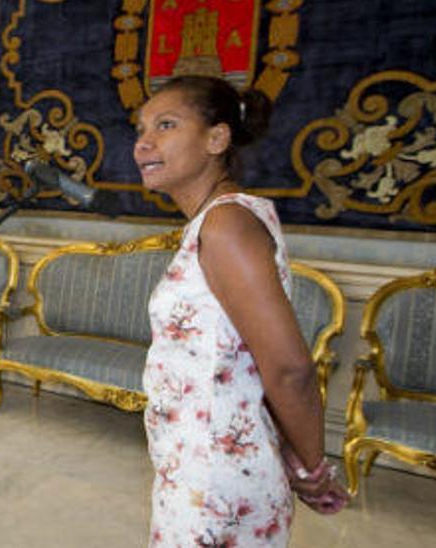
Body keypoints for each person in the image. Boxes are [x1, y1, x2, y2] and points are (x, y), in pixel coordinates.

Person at [136, 76, 345, 547]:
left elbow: (289, 368)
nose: (143, 143)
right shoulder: (217, 220)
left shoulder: (226, 224)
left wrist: (311, 468)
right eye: (141, 129)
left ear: (217, 138)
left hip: (215, 483)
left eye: (165, 125)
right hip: (194, 468)